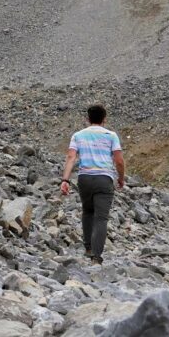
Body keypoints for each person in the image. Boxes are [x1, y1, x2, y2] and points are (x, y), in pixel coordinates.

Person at [60, 104, 125, 264]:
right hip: (104, 178)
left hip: (85, 178)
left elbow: (71, 157)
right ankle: (96, 257)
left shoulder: (78, 135)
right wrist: (121, 178)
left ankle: (88, 247)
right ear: (104, 119)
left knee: (87, 212)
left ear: (88, 119)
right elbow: (119, 160)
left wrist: (65, 180)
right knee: (101, 218)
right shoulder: (111, 135)